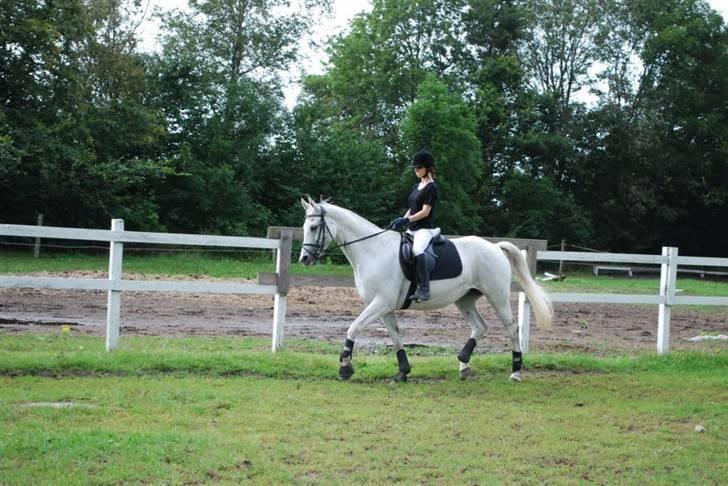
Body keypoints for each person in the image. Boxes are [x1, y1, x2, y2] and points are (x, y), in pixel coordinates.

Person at [391, 150, 439, 301]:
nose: (416, 170)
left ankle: (424, 289)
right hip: (412, 229)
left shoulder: (432, 187)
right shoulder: (415, 187)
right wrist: (402, 219)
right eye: (415, 168)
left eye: (418, 168)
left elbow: (425, 212)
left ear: (427, 168)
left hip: (424, 229)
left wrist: (408, 220)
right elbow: (411, 209)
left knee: (418, 250)